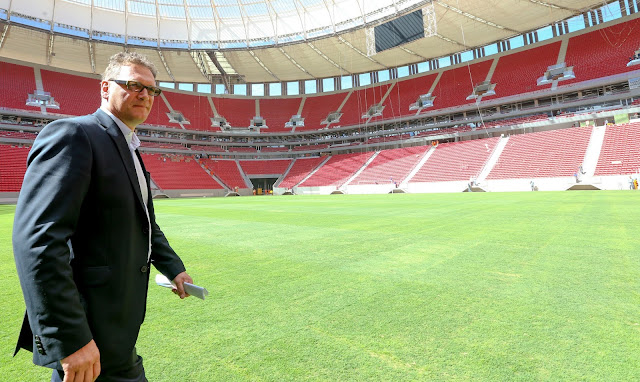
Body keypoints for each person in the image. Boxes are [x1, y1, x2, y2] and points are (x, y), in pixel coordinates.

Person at [13, 52, 193, 382]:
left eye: (152, 90)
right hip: (88, 333)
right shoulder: (74, 135)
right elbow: (38, 240)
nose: (145, 95)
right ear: (105, 88)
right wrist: (70, 339)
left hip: (116, 334)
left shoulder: (130, 148)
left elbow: (145, 223)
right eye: (134, 85)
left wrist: (174, 269)